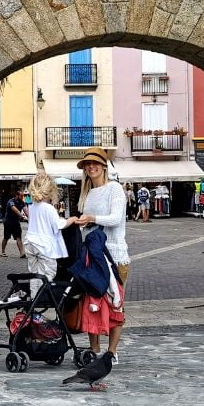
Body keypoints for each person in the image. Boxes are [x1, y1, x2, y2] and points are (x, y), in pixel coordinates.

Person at [74, 147, 129, 363]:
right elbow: (90, 225)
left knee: (116, 303)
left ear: (104, 166)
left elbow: (115, 218)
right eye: (87, 164)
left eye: (95, 163)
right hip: (93, 257)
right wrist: (80, 224)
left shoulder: (114, 189)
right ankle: (94, 350)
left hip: (115, 255)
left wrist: (91, 218)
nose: (91, 167)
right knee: (92, 302)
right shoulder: (87, 193)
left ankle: (112, 352)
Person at [20, 173, 78, 297]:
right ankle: (43, 296)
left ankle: (34, 297)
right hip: (44, 245)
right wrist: (72, 219)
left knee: (34, 273)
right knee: (48, 273)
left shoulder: (32, 207)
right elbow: (59, 224)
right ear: (51, 191)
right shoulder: (49, 208)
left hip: (30, 243)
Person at [0, 187, 28, 258]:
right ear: (17, 195)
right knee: (6, 237)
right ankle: (3, 252)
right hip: (8, 222)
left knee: (19, 237)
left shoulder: (22, 202)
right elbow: (15, 210)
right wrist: (22, 216)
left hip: (16, 222)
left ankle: (22, 253)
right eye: (21, 196)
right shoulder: (11, 201)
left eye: (23, 196)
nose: (22, 197)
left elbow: (26, 210)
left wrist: (30, 218)